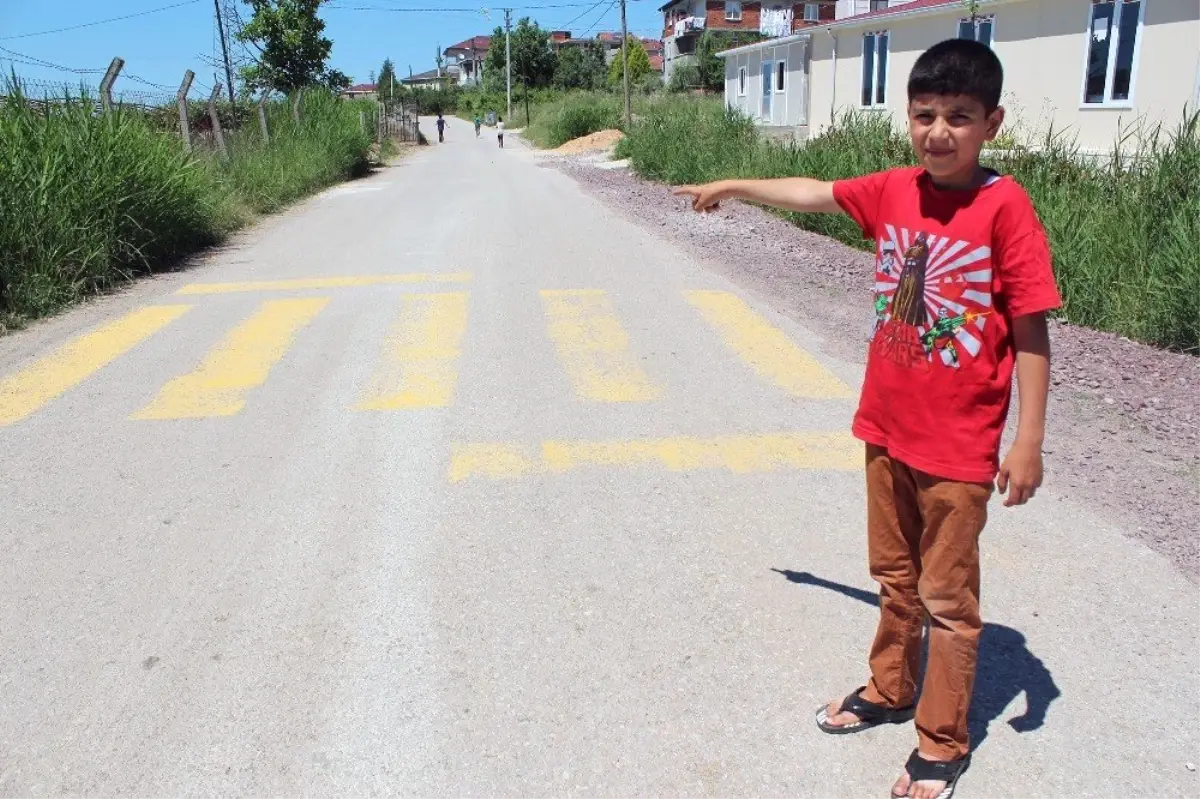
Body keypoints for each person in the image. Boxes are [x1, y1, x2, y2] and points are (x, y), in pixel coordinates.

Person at [675, 39, 1060, 799]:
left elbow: (1031, 327)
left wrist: (1029, 439)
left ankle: (943, 743)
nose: (939, 131)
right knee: (892, 577)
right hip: (885, 429)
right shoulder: (892, 189)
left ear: (992, 123)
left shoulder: (1003, 205)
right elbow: (814, 190)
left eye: (959, 117)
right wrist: (735, 184)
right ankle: (890, 688)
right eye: (924, 115)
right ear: (907, 118)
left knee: (947, 601)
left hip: (958, 447)